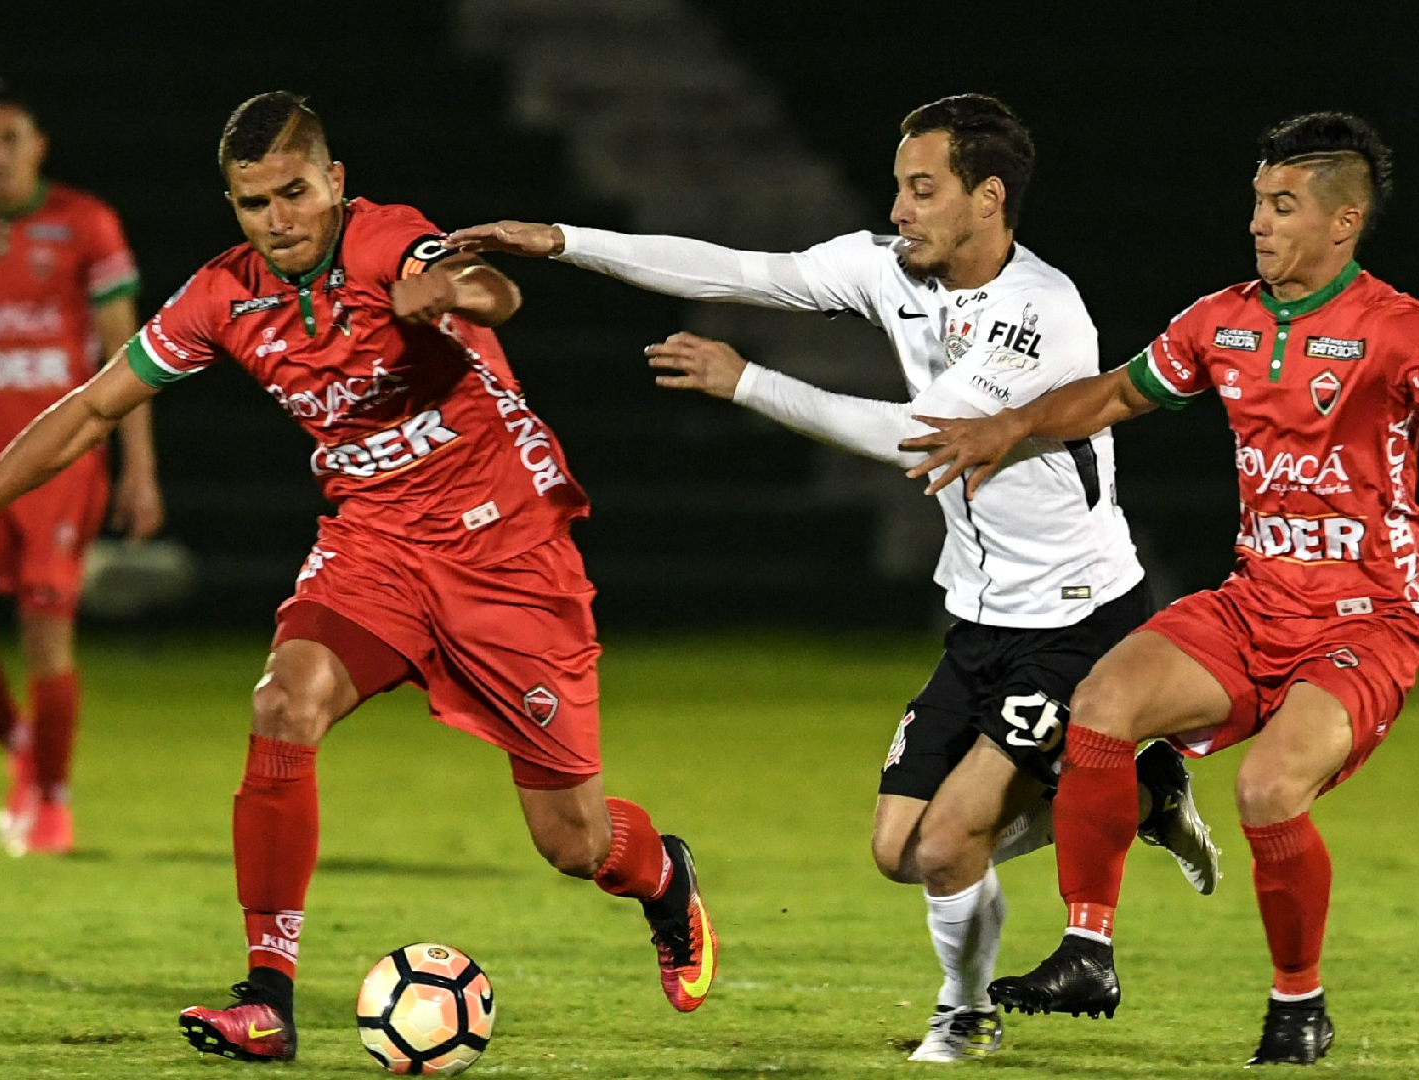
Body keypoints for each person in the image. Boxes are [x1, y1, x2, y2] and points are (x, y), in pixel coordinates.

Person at [0, 91, 716, 1062]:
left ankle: (662, 877)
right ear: (233, 205)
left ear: (334, 182)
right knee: (283, 703)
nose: (279, 220)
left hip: (505, 555)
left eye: (295, 193)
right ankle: (267, 996)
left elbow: (497, 293)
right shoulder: (224, 295)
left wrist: (453, 293)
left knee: (574, 843)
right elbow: (89, 410)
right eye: (254, 203)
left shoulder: (385, 243)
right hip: (373, 547)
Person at [449, 93, 1219, 1063]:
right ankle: (1131, 793)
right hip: (980, 618)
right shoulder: (890, 270)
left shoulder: (1040, 313)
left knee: (945, 848)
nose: (899, 209)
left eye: (922, 188)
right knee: (898, 850)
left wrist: (749, 383)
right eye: (900, 186)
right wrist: (561, 241)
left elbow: (920, 438)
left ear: (988, 199)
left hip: (1078, 620)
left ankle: (963, 1014)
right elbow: (736, 271)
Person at [900, 112, 1419, 1065]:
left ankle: (1300, 1003)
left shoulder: (1393, 327)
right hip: (1255, 603)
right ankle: (1088, 949)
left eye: (1283, 206)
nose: (1258, 222)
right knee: (1102, 703)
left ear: (1344, 223)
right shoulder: (1224, 321)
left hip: (1366, 624)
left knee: (1265, 787)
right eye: (1256, 202)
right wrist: (1011, 426)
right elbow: (1116, 395)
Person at [0, 77, 164, 856]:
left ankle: (52, 798)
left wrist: (139, 472)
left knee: (47, 635)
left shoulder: (86, 224)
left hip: (61, 465)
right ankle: (19, 744)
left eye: (12, 140)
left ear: (38, 145)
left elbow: (130, 358)